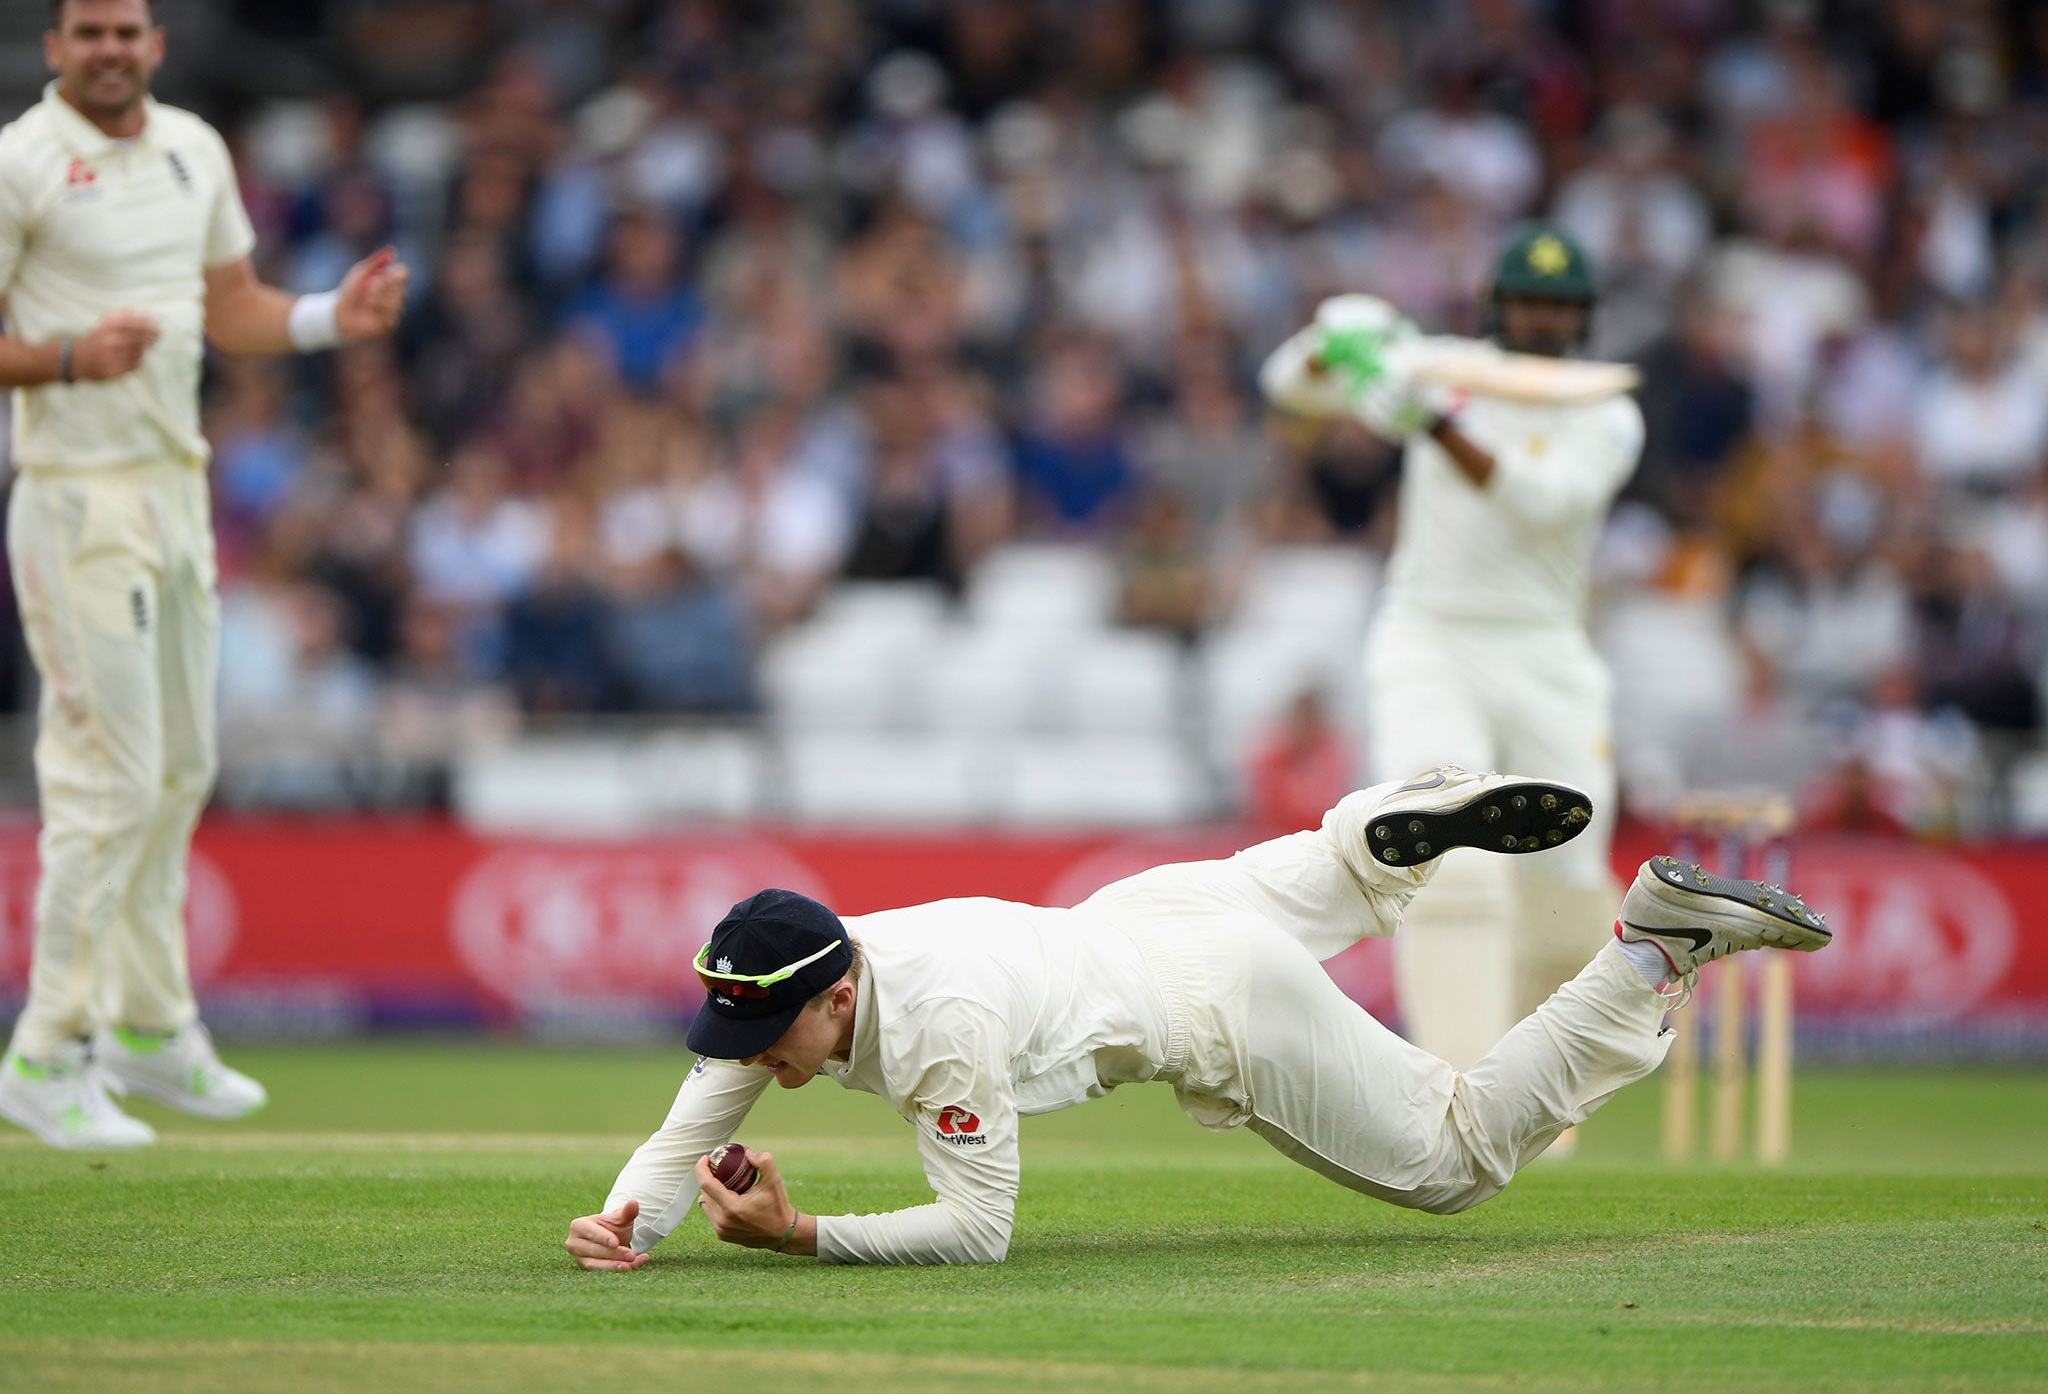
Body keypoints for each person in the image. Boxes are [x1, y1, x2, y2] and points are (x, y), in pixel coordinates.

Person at [563, 767, 1829, 1267]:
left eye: (761, 1036)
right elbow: (690, 1125)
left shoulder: (934, 1020)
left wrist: (803, 1236)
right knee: (1330, 888)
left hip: (1207, 995)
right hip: (1157, 912)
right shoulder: (830, 965)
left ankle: (1649, 944)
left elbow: (978, 1229)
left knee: (1453, 1163)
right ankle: (1370, 839)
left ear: (834, 998)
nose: (745, 1062)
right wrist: (632, 1223)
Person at [0, 0, 409, 1150]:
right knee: (105, 778)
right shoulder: (21, 163)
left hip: (175, 491)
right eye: (89, 34)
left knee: (180, 770)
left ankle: (147, 1027)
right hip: (77, 498)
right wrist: (73, 357)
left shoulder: (192, 149)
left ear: (157, 43)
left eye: (127, 32)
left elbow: (228, 307)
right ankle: (45, 1050)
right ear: (55, 48)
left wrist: (337, 315)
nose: (110, 51)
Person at [1259, 226, 1644, 1118]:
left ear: (1580, 317)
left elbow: (1541, 503)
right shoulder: (1443, 364)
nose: (1540, 317)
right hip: (1429, 639)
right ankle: (1462, 1095)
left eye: (1558, 304)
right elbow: (1288, 385)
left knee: (1569, 878)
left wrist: (1431, 419)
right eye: (1526, 300)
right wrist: (1338, 342)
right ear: (1496, 305)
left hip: (1547, 651)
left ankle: (1549, 1101)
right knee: (1446, 849)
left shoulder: (1607, 412)